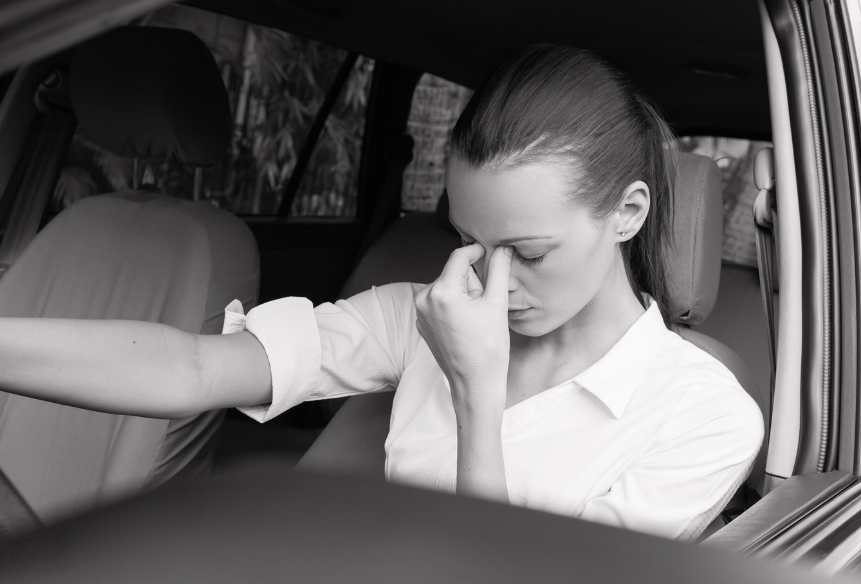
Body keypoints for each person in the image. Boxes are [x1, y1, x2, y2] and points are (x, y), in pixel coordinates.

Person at [0, 45, 762, 540]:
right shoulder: (423, 317)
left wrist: (476, 395)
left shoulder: (705, 415)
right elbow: (191, 368)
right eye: (469, 241)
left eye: (529, 253)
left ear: (628, 212)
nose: (491, 282)